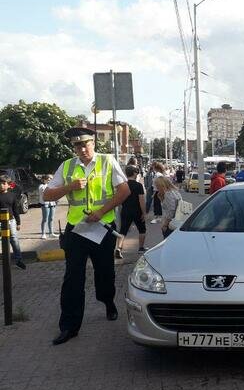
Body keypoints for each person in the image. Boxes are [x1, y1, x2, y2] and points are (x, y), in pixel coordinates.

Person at [43, 128, 130, 345]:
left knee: (105, 273)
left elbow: (124, 191)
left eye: (86, 144)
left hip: (102, 227)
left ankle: (108, 301)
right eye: (77, 145)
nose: (82, 149)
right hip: (77, 230)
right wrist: (70, 186)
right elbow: (47, 195)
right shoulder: (67, 166)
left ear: (94, 143)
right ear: (73, 147)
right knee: (72, 278)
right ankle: (69, 327)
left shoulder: (107, 161)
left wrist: (101, 211)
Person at [115, 165, 146, 258]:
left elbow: (119, 198)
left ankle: (118, 248)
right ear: (134, 173)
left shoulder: (123, 185)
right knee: (142, 229)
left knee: (123, 230)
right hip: (137, 211)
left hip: (125, 210)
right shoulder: (138, 185)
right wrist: (144, 212)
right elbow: (141, 200)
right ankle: (141, 248)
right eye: (136, 172)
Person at [0, 174, 26, 269]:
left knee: (14, 240)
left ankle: (18, 260)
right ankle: (5, 260)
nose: (1, 185)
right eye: (0, 183)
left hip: (11, 221)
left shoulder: (12, 195)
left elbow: (16, 210)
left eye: (3, 183)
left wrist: (18, 223)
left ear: (8, 185)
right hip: (0, 222)